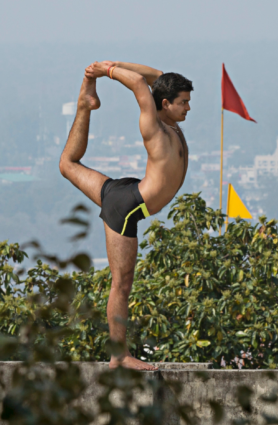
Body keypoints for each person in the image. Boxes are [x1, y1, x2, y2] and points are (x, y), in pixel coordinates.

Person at [59, 60, 192, 370]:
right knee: (122, 283)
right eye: (183, 102)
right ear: (165, 104)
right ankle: (118, 355)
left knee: (68, 164)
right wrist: (107, 71)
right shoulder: (154, 126)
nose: (188, 108)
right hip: (126, 208)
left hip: (126, 190)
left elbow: (157, 77)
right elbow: (138, 85)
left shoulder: (170, 119)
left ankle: (85, 103)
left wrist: (113, 64)